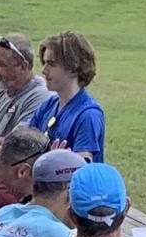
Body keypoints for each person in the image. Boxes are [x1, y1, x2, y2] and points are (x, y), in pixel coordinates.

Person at [28, 31, 104, 162]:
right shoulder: (48, 106)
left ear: (74, 67)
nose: (44, 71)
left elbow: (80, 168)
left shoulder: (88, 115)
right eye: (44, 63)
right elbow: (24, 146)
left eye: (51, 64)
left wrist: (52, 161)